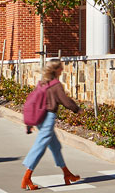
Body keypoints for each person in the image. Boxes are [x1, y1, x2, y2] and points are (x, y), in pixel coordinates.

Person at [21, 61, 83, 191]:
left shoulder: (43, 83)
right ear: (57, 70)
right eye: (61, 68)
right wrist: (77, 109)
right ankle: (27, 176)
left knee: (55, 147)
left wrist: (29, 123)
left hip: (40, 118)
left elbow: (33, 102)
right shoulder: (56, 85)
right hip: (48, 118)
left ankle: (67, 174)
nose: (62, 70)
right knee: (40, 146)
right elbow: (65, 101)